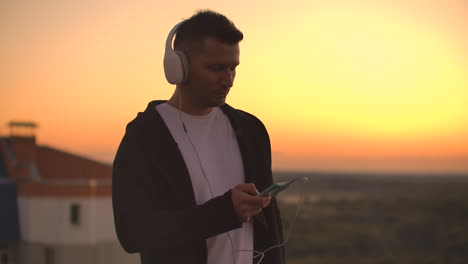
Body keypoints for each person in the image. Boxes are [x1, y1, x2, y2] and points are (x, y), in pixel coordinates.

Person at [112, 10, 285, 264]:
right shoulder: (145, 137)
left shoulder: (251, 130)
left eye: (233, 68)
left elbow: (270, 226)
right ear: (178, 67)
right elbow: (132, 233)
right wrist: (224, 212)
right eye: (215, 68)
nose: (228, 80)